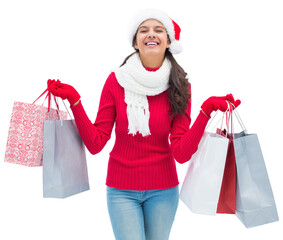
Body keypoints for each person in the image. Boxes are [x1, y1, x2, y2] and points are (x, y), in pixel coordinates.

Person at [48, 8, 241, 240]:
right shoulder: (115, 82)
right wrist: (75, 101)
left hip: (164, 190)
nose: (151, 34)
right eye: (144, 30)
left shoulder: (180, 86)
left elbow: (180, 152)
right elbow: (96, 142)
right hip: (121, 190)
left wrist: (206, 110)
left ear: (168, 41)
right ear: (136, 43)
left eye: (158, 30)